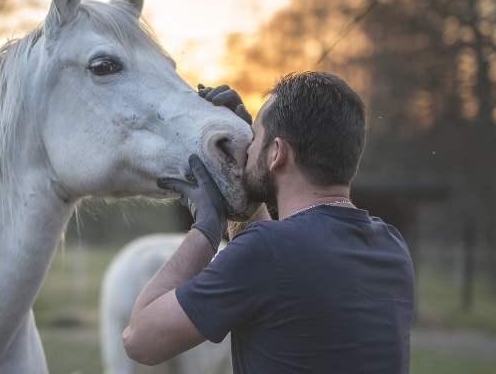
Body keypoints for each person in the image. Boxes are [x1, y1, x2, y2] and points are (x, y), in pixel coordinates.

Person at [122, 71, 415, 374]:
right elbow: (279, 263)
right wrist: (247, 184)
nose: (247, 148)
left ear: (276, 153)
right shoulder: (391, 246)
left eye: (255, 137)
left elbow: (140, 340)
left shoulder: (267, 251)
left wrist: (206, 229)